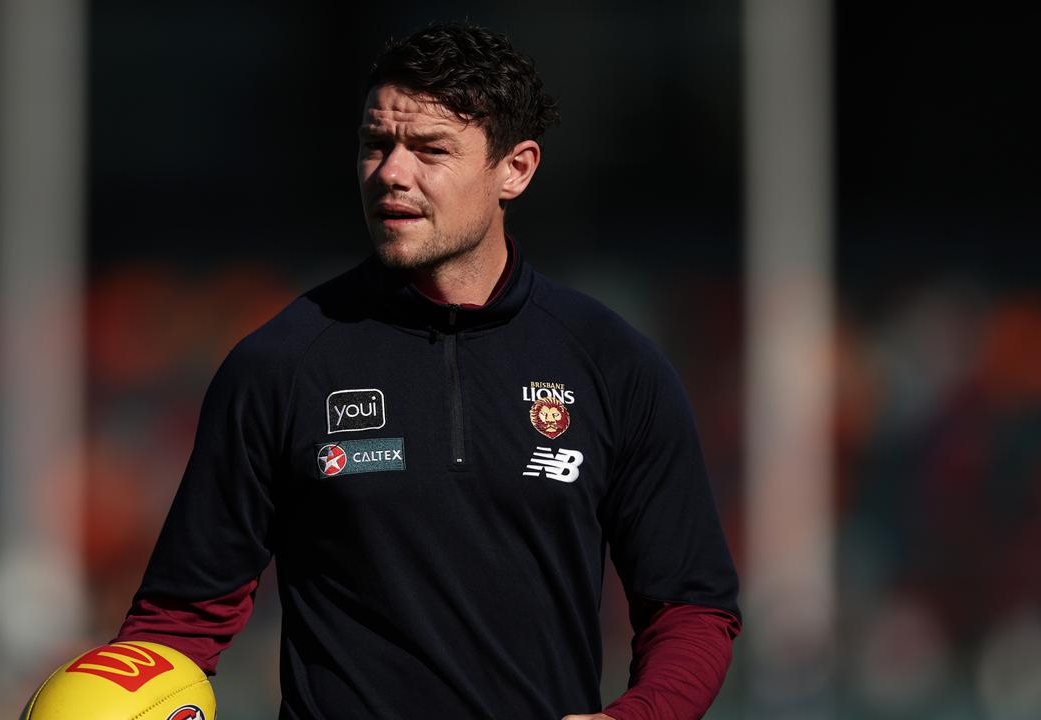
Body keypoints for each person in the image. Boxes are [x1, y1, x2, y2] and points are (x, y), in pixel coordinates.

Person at [117, 22, 741, 720]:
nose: (391, 172)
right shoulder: (280, 364)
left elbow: (691, 606)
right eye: (375, 144)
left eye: (430, 150)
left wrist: (642, 715)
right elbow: (178, 623)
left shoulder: (613, 363)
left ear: (517, 168)